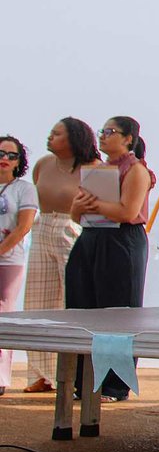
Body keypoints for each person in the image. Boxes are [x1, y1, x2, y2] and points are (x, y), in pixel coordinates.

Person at [65, 117, 154, 401]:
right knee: (82, 307)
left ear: (128, 138)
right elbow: (76, 214)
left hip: (121, 241)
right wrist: (79, 207)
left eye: (110, 131)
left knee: (117, 312)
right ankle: (84, 382)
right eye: (101, 131)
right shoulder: (98, 170)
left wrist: (94, 204)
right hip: (91, 237)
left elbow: (128, 212)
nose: (103, 136)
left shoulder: (136, 169)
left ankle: (115, 385)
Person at [21, 118, 97, 392]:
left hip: (72, 228)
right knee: (37, 301)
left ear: (74, 139)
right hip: (43, 227)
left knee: (71, 299)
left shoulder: (92, 169)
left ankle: (75, 374)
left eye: (57, 134)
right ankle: (41, 374)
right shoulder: (43, 164)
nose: (49, 137)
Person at [0, 134, 39, 396]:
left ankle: (1, 376)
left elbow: (24, 226)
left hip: (9, 261)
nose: (5, 159)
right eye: (0, 153)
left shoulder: (24, 189)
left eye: (11, 155)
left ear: (18, 161)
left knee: (2, 314)